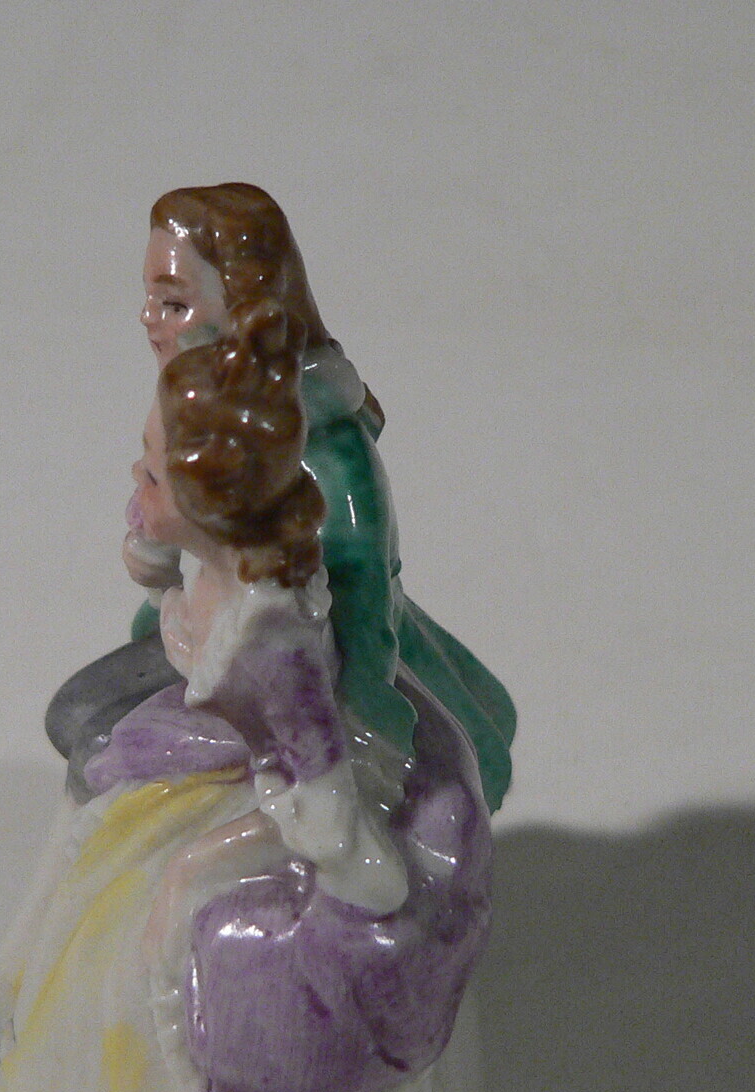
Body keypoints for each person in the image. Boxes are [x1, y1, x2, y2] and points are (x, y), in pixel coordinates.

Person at [0, 298, 492, 1092]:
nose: (134, 480)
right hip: (189, 778)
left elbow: (327, 815)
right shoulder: (208, 581)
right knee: (85, 907)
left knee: (163, 1044)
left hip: (279, 857)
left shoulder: (269, 628)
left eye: (152, 468)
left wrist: (224, 860)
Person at [119, 182, 520, 813]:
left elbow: (363, 591)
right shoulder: (190, 407)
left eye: (173, 303)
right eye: (149, 299)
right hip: (211, 638)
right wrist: (155, 562)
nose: (149, 319)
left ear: (246, 309)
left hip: (318, 672)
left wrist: (363, 737)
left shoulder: (325, 444)